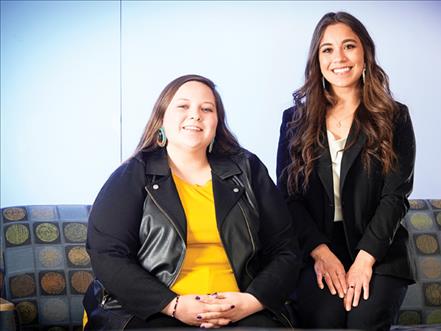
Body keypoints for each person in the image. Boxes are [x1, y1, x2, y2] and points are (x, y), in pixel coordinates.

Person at [83, 74, 300, 330]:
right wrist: (173, 305)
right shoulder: (133, 174)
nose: (195, 115)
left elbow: (285, 250)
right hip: (152, 310)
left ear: (217, 123)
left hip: (239, 308)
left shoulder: (248, 169)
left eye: (206, 109)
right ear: (161, 118)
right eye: (183, 106)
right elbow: (107, 255)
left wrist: (251, 301)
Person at [276, 12, 416, 331]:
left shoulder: (395, 117)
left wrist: (365, 259)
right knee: (327, 319)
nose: (338, 57)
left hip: (378, 249)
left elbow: (395, 197)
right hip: (316, 246)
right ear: (317, 59)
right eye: (327, 49)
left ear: (365, 53)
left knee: (363, 322)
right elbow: (288, 197)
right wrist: (320, 252)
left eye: (349, 46)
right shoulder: (293, 120)